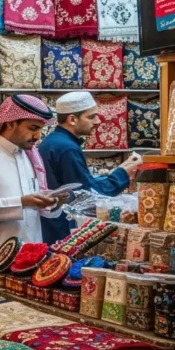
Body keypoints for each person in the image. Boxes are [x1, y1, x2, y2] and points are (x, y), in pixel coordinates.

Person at [0, 94, 61, 287]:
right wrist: (22, 202)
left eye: (40, 129)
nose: (38, 136)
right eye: (33, 128)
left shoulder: (30, 157)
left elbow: (34, 211)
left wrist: (54, 202)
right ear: (11, 123)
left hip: (27, 264)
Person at [39, 91, 141, 245]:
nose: (98, 121)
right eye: (91, 116)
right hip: (64, 229)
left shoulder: (54, 142)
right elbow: (89, 197)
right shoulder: (66, 148)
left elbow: (79, 184)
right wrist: (122, 174)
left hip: (54, 225)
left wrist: (121, 169)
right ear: (72, 119)